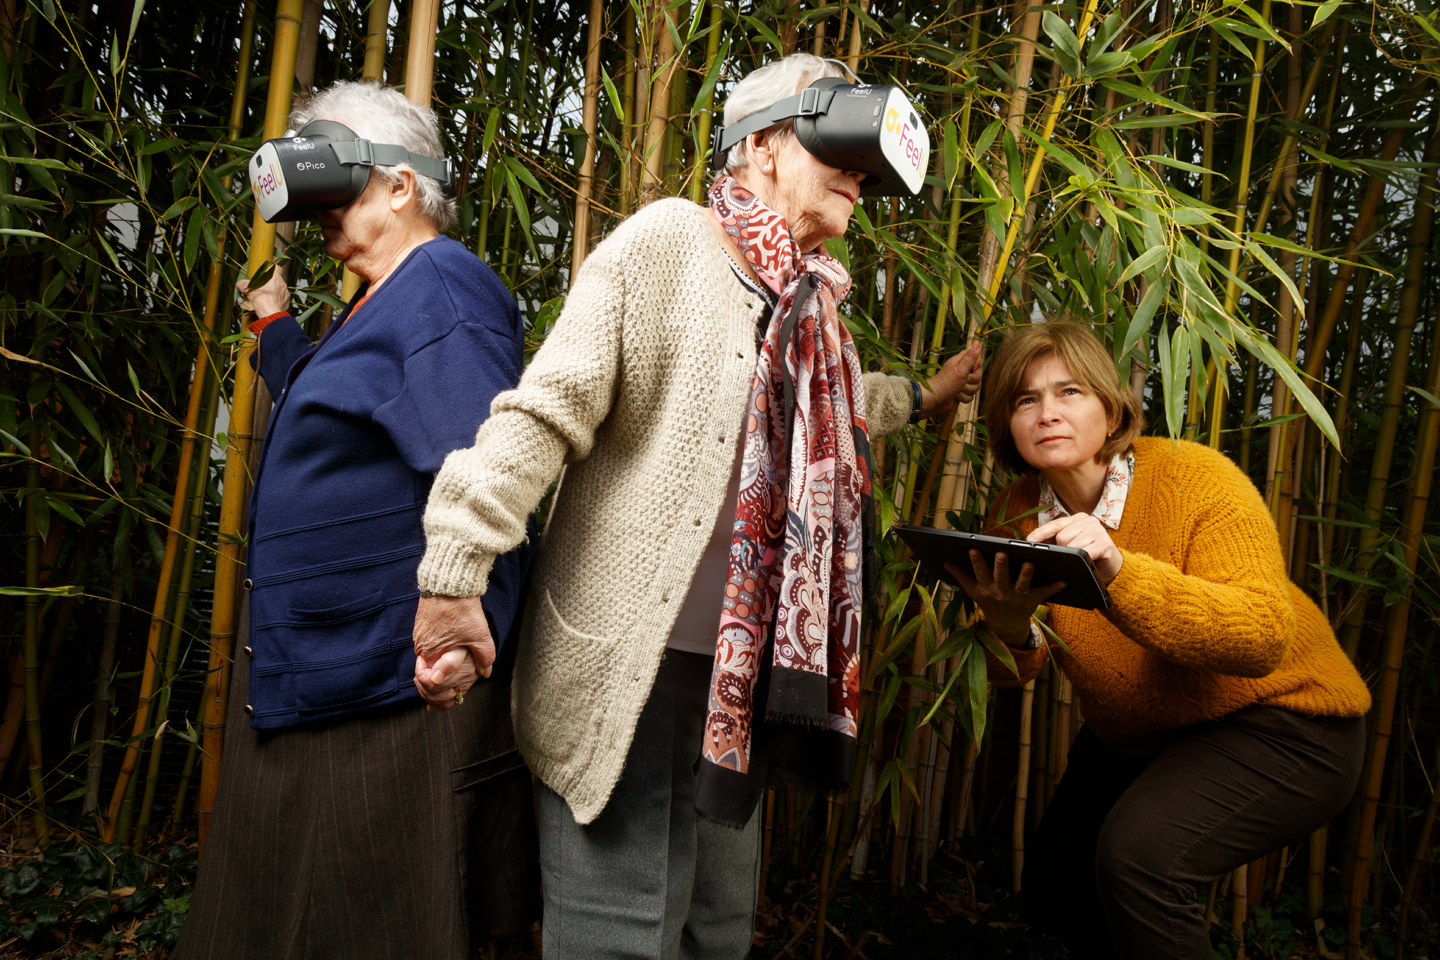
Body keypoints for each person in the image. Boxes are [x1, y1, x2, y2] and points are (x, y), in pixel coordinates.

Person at [410, 52, 983, 960]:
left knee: (715, 928)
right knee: (617, 932)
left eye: (866, 172)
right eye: (839, 151)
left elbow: (822, 411)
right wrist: (454, 570)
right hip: (625, 666)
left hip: (740, 671)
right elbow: (546, 409)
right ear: (760, 145)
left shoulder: (810, 302)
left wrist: (926, 395)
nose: (859, 183)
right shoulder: (669, 243)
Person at [173, 81, 539, 960]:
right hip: (320, 684)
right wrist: (277, 331)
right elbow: (341, 408)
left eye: (344, 187)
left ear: (402, 187)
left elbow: (490, 473)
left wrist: (472, 624)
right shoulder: (380, 304)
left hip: (387, 689)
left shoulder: (442, 287)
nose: (324, 216)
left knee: (374, 927)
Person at [949, 321, 1372, 960]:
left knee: (1141, 860)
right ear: (1007, 422)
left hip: (1288, 719)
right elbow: (1018, 666)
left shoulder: (1196, 479)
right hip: (1146, 730)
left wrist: (1117, 568)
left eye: (1070, 392)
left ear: (1112, 407)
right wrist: (1006, 622)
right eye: (1025, 399)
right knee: (1057, 885)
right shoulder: (1015, 511)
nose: (1047, 413)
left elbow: (1260, 638)